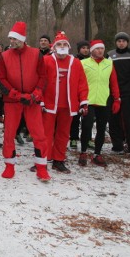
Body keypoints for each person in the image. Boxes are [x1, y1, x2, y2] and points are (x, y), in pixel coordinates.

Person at [0, 22, 50, 181]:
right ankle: (9, 166)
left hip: (32, 101)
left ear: (22, 39)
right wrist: (15, 95)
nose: (11, 41)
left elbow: (43, 77)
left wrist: (35, 94)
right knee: (9, 134)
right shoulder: (4, 56)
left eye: (14, 38)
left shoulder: (36, 54)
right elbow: (0, 78)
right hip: (12, 101)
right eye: (10, 38)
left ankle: (41, 167)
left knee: (39, 134)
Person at [41, 32, 88, 174]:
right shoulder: (46, 60)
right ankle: (43, 159)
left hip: (68, 105)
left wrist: (83, 102)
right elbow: (40, 82)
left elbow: (82, 83)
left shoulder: (76, 62)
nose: (62, 47)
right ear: (54, 47)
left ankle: (58, 160)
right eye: (59, 44)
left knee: (63, 134)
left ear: (68, 47)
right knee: (45, 134)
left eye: (64, 45)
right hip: (49, 104)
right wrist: (40, 101)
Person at [79, 40, 121, 167]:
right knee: (86, 126)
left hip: (104, 100)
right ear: (92, 50)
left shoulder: (109, 63)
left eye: (102, 49)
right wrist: (79, 100)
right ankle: (83, 152)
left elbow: (114, 82)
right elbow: (78, 82)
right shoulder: (83, 63)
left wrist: (117, 99)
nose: (100, 51)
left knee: (101, 129)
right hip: (88, 100)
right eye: (97, 49)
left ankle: (97, 154)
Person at [107, 32, 130, 161]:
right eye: (119, 41)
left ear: (127, 42)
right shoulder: (110, 55)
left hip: (129, 93)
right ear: (116, 42)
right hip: (114, 93)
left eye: (123, 41)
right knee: (113, 120)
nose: (121, 43)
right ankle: (117, 146)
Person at [69, 40, 91, 149]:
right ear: (79, 49)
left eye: (87, 48)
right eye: (83, 48)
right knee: (75, 117)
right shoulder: (74, 60)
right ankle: (73, 138)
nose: (85, 50)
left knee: (88, 119)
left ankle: (88, 138)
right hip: (76, 92)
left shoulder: (93, 60)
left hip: (89, 92)